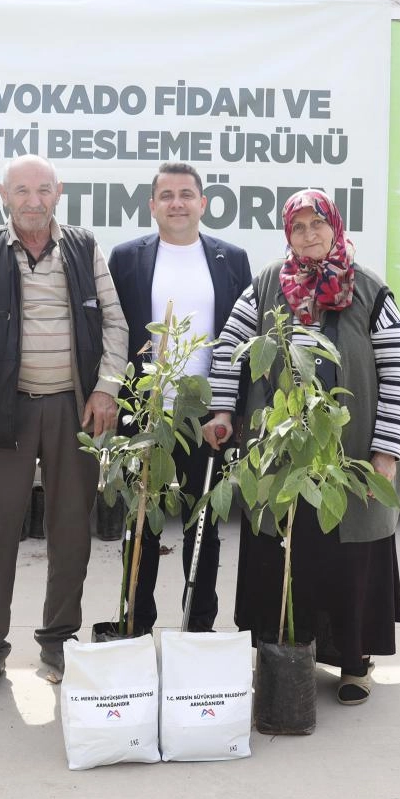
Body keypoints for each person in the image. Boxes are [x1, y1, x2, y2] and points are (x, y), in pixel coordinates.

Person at [203, 188, 400, 706]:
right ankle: (278, 651)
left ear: (334, 227)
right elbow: (232, 349)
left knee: (349, 549)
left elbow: (398, 370)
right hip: (280, 449)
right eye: (297, 227)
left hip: (354, 449)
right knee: (281, 544)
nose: (309, 234)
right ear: (287, 234)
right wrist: (224, 411)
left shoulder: (369, 290)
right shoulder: (267, 285)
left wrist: (386, 450)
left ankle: (353, 662)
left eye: (317, 224)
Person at [0, 154, 128, 700]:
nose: (32, 200)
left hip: (74, 411)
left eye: (42, 189)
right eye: (21, 190)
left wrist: (106, 387)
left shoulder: (83, 246)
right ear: (3, 193)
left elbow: (115, 322)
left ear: (58, 192)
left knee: (72, 534)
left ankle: (57, 642)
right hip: (2, 411)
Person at [107, 162, 251, 632]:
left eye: (186, 194)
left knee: (202, 530)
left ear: (203, 203)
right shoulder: (126, 258)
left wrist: (228, 408)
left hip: (206, 417)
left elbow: (240, 341)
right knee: (140, 526)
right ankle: (135, 626)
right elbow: (112, 331)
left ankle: (199, 630)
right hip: (142, 414)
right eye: (166, 195)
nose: (176, 203)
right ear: (152, 206)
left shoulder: (232, 259)